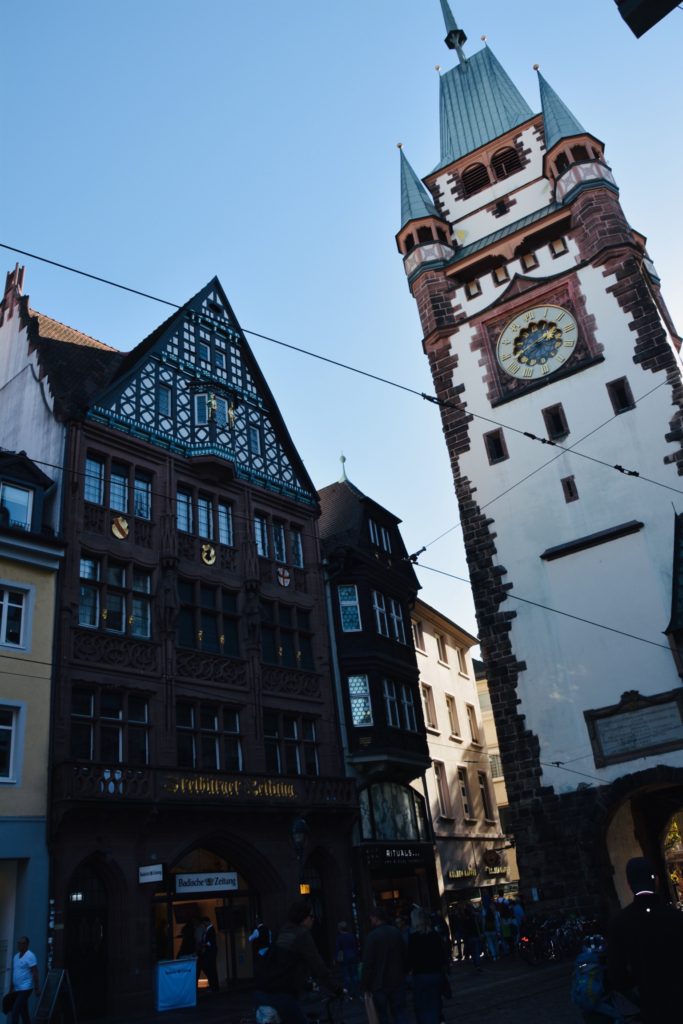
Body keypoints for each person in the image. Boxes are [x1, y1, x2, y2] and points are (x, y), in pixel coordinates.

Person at [607, 856, 683, 1023]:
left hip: (652, 1006)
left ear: (629, 884)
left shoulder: (620, 923)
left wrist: (638, 981)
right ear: (655, 880)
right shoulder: (675, 917)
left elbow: (617, 976)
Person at [253, 899, 341, 1024]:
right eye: (311, 916)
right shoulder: (302, 934)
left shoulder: (283, 931)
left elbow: (284, 966)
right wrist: (336, 988)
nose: (313, 920)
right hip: (282, 996)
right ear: (303, 918)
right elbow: (318, 965)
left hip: (262, 993)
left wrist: (306, 985)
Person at [361, 906, 409, 1024]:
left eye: (371, 918)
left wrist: (365, 985)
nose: (371, 921)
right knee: (399, 1013)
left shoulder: (372, 937)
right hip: (397, 980)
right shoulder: (396, 932)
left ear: (376, 918)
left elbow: (368, 963)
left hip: (379, 983)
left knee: (383, 1017)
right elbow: (405, 955)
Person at [407, 909, 447, 1024]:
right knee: (435, 1003)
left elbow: (410, 959)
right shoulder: (434, 935)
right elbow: (441, 955)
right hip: (435, 974)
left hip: (421, 975)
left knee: (422, 1007)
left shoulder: (414, 937)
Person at [10, 936, 40, 1024]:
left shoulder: (30, 956)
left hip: (26, 988)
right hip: (17, 989)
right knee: (24, 1013)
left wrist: (37, 988)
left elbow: (35, 972)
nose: (19, 945)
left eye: (22, 943)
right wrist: (11, 987)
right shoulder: (16, 956)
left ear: (27, 945)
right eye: (18, 943)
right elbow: (15, 972)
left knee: (15, 1011)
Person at [334, 921, 359, 999]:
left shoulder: (339, 938)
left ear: (339, 929)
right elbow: (355, 946)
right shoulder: (351, 936)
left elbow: (338, 949)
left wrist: (335, 958)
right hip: (353, 956)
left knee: (346, 976)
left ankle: (348, 993)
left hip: (345, 957)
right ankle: (356, 992)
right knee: (354, 975)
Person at [197, 916, 219, 992]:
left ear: (206, 922)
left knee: (211, 969)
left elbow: (210, 942)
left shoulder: (211, 930)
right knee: (211, 969)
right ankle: (213, 986)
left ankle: (214, 986)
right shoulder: (209, 929)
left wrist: (203, 944)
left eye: (204, 923)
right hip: (210, 951)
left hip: (210, 952)